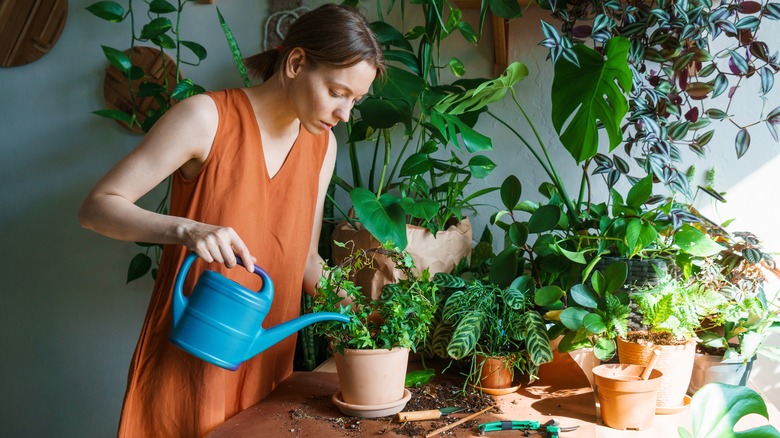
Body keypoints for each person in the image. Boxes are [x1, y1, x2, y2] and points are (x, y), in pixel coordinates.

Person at [78, 4, 384, 437]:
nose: (344, 113)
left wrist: (373, 314)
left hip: (267, 366)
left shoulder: (323, 148)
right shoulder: (205, 118)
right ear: (296, 63)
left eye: (355, 100)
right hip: (192, 362)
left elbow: (305, 261)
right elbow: (96, 207)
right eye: (337, 92)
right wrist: (187, 228)